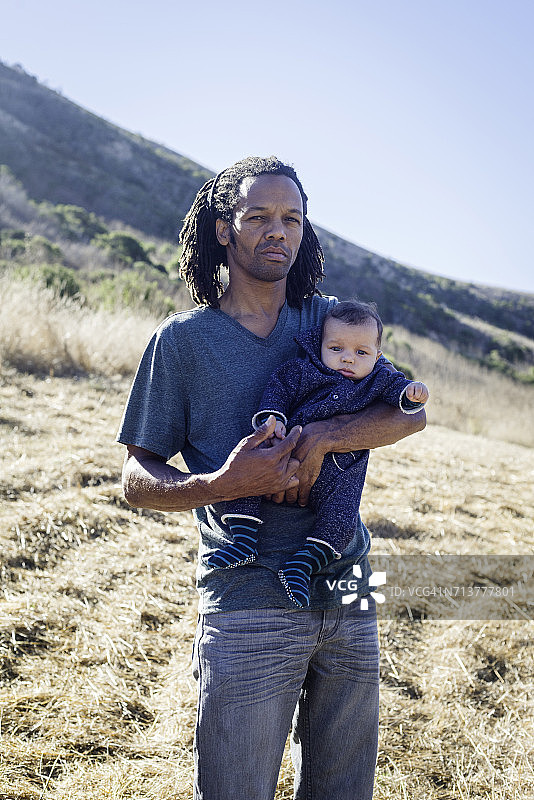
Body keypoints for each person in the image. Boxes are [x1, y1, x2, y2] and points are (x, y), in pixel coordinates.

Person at [117, 155, 426, 800]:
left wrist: (319, 439)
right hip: (246, 598)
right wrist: (222, 483)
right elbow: (134, 477)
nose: (277, 231)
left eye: (291, 218)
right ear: (224, 229)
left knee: (345, 790)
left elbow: (408, 413)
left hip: (347, 586)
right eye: (258, 216)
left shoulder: (330, 321)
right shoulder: (182, 342)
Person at [208, 299, 429, 607]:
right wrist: (274, 418)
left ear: (377, 356)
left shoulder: (378, 378)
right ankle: (244, 540)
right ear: (320, 344)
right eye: (336, 349)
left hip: (342, 475)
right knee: (248, 471)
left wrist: (411, 394)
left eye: (360, 353)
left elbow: (401, 397)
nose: (347, 359)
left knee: (341, 521)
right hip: (286, 454)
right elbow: (278, 389)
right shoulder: (303, 370)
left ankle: (302, 565)